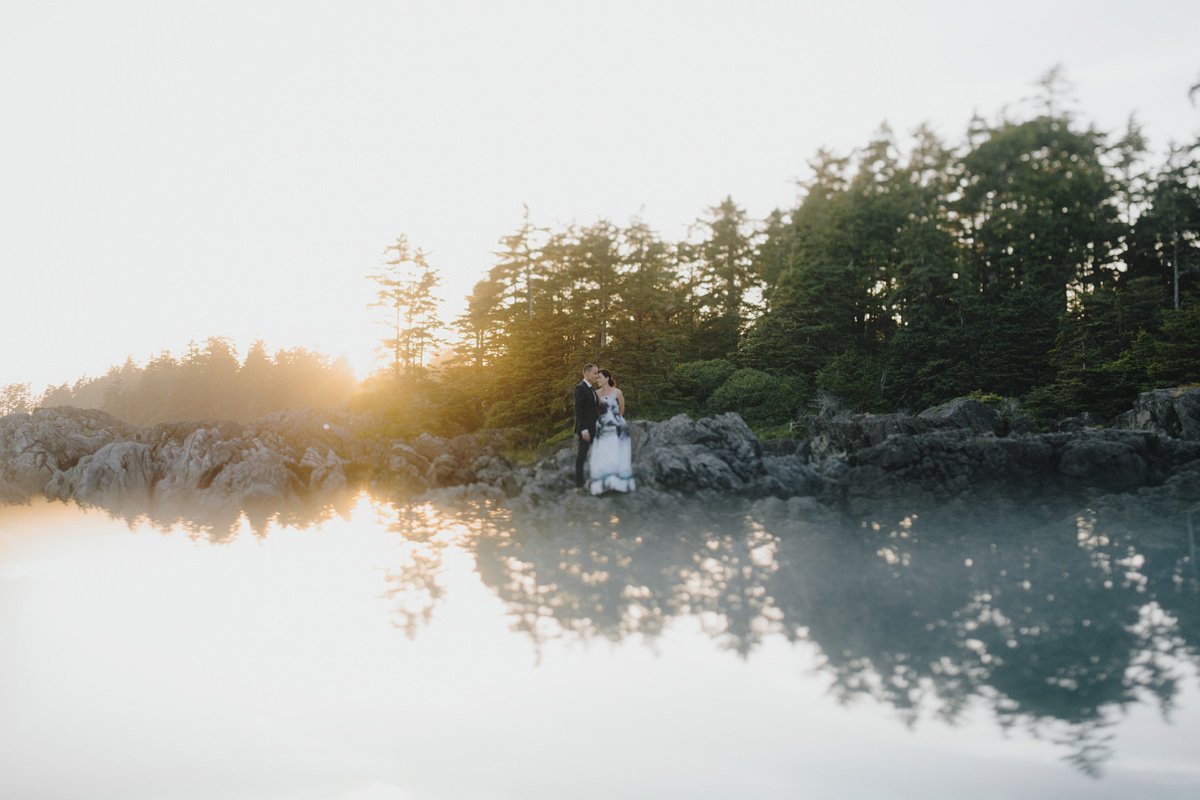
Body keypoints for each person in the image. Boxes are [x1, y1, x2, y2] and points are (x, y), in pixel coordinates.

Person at [588, 369, 636, 495]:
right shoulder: (596, 393)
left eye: (600, 378)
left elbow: (622, 407)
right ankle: (603, 484)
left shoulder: (617, 392)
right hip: (602, 426)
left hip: (617, 424)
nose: (597, 380)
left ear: (607, 378)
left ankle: (618, 483)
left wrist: (617, 419)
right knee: (603, 452)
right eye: (596, 378)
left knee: (617, 452)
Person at [573, 363, 602, 491]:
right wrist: (583, 429)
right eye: (595, 373)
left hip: (595, 427)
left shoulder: (592, 390)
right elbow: (578, 411)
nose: (597, 375)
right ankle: (579, 485)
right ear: (586, 373)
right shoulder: (580, 388)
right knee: (582, 455)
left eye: (598, 373)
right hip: (585, 429)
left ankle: (596, 480)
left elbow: (595, 409)